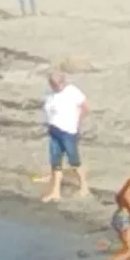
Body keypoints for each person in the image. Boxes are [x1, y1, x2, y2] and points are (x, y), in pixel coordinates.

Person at [41, 72, 90, 202]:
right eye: (54, 84)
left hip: (68, 131)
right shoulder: (49, 94)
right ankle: (55, 192)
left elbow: (85, 107)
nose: (57, 86)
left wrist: (77, 122)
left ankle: (84, 187)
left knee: (74, 161)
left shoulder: (72, 91)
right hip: (54, 130)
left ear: (63, 81)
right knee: (55, 162)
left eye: (59, 83)